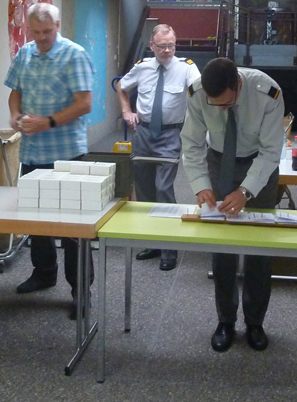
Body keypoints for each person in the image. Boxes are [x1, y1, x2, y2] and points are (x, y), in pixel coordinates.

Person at [181, 57, 284, 352]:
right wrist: (201, 185)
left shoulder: (268, 92)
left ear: (238, 84)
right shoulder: (197, 92)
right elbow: (191, 143)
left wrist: (246, 191)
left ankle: (255, 322)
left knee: (259, 246)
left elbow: (271, 151)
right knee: (222, 244)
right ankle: (225, 320)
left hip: (258, 163)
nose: (222, 109)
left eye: (227, 103)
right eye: (215, 105)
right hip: (219, 160)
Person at [5, 2, 95, 319]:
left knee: (73, 228)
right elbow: (15, 92)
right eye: (36, 32)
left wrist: (48, 122)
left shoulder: (75, 55)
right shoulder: (24, 53)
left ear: (57, 26)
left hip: (67, 153)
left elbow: (84, 104)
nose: (41, 37)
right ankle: (44, 273)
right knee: (37, 222)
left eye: (47, 31)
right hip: (32, 152)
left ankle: (80, 290)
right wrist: (15, 115)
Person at [117, 24, 201, 271]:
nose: (167, 50)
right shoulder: (142, 67)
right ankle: (152, 242)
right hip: (143, 133)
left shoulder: (187, 68)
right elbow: (122, 86)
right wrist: (126, 110)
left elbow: (199, 93)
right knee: (144, 191)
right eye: (162, 46)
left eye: (171, 45)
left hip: (171, 134)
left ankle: (169, 248)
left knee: (163, 188)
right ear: (152, 46)